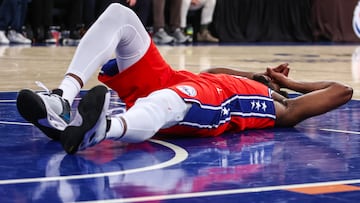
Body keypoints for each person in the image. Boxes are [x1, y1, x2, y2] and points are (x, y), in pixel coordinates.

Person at [16, 3, 353, 155]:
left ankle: (101, 131)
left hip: (211, 104)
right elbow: (211, 73)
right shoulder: (246, 83)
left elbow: (343, 91)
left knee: (172, 101)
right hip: (176, 80)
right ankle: (61, 98)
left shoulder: (279, 109)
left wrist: (290, 87)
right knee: (122, 16)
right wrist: (257, 74)